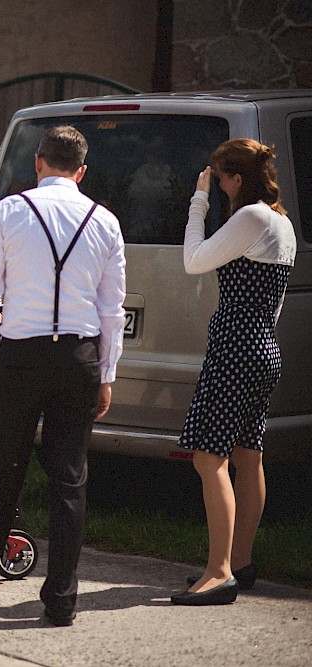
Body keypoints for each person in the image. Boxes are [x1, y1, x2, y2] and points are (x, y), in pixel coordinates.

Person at [0, 126, 126, 627]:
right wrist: (107, 372)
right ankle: (62, 597)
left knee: (3, 467)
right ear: (82, 171)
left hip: (21, 355)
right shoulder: (105, 220)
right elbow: (112, 308)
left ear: (39, 163)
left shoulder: (8, 211)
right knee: (70, 477)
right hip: (79, 356)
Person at [171, 139, 296, 606]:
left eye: (220, 177)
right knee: (249, 455)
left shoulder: (250, 217)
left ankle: (218, 572)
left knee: (209, 458)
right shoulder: (282, 223)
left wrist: (198, 201)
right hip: (263, 346)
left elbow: (193, 261)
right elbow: (276, 301)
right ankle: (240, 562)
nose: (217, 183)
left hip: (236, 348)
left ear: (237, 179)